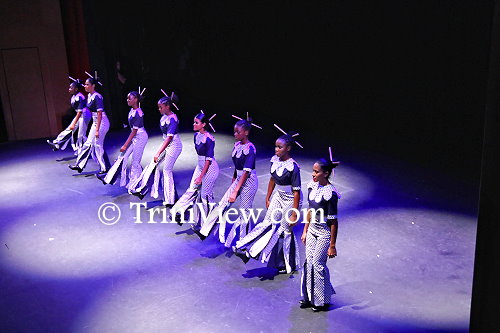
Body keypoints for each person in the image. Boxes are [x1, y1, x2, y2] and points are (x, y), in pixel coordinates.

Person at [234, 126, 302, 274]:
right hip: (278, 195)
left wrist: (294, 213)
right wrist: (268, 196)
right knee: (267, 223)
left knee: (284, 231)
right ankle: (247, 250)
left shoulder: (294, 167)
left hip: (291, 199)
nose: (276, 149)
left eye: (280, 147)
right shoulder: (274, 160)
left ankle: (288, 264)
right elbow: (272, 179)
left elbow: (296, 193)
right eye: (276, 146)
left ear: (288, 148)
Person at [197, 116, 260, 247]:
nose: (235, 134)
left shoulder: (251, 148)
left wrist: (235, 190)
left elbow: (246, 172)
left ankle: (243, 242)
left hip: (249, 182)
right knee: (222, 204)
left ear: (246, 133)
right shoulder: (236, 146)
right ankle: (205, 231)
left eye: (238, 132)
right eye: (234, 131)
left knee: (244, 212)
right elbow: (237, 169)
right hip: (238, 179)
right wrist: (233, 183)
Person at [299, 153, 341, 312]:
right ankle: (309, 298)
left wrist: (332, 245)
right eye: (313, 171)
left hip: (323, 233)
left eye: (316, 172)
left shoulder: (331, 194)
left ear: (326, 173)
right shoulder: (312, 186)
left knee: (318, 264)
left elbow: (333, 221)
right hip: (311, 230)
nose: (313, 174)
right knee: (309, 264)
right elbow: (309, 210)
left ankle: (321, 301)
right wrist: (305, 230)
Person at [129, 93, 182, 205]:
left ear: (168, 106)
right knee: (152, 165)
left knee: (166, 171)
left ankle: (170, 200)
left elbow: (169, 139)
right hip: (166, 143)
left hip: (174, 145)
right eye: (158, 107)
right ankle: (142, 189)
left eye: (161, 107)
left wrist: (158, 152)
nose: (159, 109)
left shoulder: (173, 119)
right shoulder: (164, 117)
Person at [171, 111, 219, 229]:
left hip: (210, 169)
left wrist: (201, 176)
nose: (194, 124)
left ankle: (208, 223)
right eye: (194, 122)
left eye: (196, 123)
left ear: (203, 124)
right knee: (191, 190)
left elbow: (208, 160)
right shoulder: (196, 136)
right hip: (200, 166)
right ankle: (179, 211)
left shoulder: (209, 139)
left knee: (205, 196)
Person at [97, 90, 148, 188]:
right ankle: (109, 177)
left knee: (135, 162)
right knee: (122, 156)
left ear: (136, 100)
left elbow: (134, 132)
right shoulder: (132, 111)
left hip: (140, 137)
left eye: (130, 98)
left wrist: (125, 145)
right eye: (127, 98)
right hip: (135, 137)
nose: (127, 100)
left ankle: (136, 183)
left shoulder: (139, 113)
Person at [69, 76, 110, 174]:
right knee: (88, 143)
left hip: (102, 122)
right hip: (96, 121)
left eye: (87, 84)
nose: (85, 86)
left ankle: (104, 167)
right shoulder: (89, 96)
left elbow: (99, 113)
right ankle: (79, 165)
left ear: (93, 86)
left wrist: (96, 129)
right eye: (85, 84)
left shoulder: (97, 96)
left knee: (97, 145)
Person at [47, 79, 91, 154]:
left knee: (81, 134)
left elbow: (80, 111)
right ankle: (56, 143)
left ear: (76, 89)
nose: (69, 89)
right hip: (79, 114)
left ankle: (83, 150)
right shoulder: (73, 97)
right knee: (69, 130)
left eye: (71, 88)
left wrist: (74, 123)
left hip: (84, 114)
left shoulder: (79, 97)